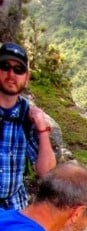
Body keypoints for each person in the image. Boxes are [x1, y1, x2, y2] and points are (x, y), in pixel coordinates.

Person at [0, 43, 57, 210]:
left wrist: (42, 128)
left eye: (18, 69)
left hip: (13, 206)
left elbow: (46, 173)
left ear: (26, 77)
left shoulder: (27, 115)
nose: (11, 74)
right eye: (5, 66)